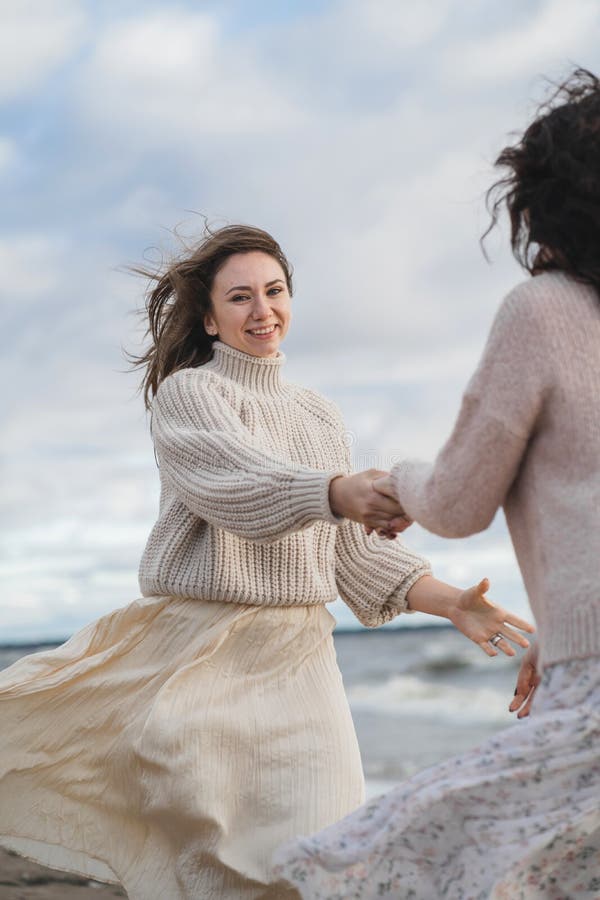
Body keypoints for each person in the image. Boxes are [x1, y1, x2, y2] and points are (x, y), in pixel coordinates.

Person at [0, 226, 532, 900]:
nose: (263, 311)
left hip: (301, 659)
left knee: (321, 855)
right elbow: (237, 488)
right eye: (241, 297)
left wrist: (452, 600)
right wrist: (335, 492)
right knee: (218, 870)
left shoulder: (320, 414)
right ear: (208, 318)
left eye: (275, 292)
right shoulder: (190, 396)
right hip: (204, 656)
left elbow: (350, 556)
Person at [272, 68, 600, 899]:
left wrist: (399, 482)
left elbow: (456, 502)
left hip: (592, 678)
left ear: (539, 202)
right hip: (574, 662)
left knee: (377, 858)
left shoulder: (544, 310)